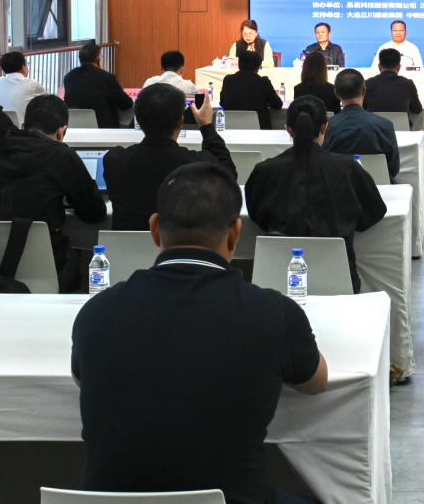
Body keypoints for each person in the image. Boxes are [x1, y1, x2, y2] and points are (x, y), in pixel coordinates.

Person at [71, 162, 327, 504]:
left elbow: (82, 378)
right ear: (235, 233)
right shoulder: (273, 313)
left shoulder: (97, 312)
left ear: (154, 229)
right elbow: (316, 382)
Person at [246, 96, 388, 293]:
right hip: (339, 278)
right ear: (325, 127)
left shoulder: (264, 171)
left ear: (288, 129)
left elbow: (257, 216)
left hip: (276, 279)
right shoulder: (348, 168)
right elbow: (374, 211)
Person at [0, 93, 107, 290]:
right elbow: (94, 213)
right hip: (46, 271)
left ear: (23, 126)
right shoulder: (62, 156)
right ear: (61, 132)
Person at [103, 83, 236, 232]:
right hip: (183, 245)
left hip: (124, 246)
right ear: (180, 121)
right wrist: (206, 127)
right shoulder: (199, 164)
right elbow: (230, 178)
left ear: (138, 120)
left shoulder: (114, 160)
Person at [323, 69, 400, 183]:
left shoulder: (326, 127)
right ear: (364, 90)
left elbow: (323, 164)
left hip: (337, 187)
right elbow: (393, 168)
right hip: (378, 187)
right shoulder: (385, 125)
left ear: (336, 94)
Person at [63, 42, 133, 129]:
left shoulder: (68, 77)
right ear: (99, 60)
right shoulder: (106, 77)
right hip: (103, 130)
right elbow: (126, 104)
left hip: (74, 128)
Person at [219, 50, 284, 130]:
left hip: (231, 130)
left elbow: (222, 102)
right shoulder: (263, 82)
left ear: (239, 65)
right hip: (260, 131)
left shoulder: (228, 80)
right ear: (257, 67)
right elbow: (277, 104)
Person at [0, 50, 49, 122]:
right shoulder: (32, 84)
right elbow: (50, 101)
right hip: (21, 127)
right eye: (26, 64)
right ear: (23, 67)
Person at [364, 47, 423, 119]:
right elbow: (417, 109)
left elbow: (362, 108)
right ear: (399, 67)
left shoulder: (368, 84)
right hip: (401, 126)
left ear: (379, 66)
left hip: (374, 125)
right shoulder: (408, 84)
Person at [293, 50, 341, 114]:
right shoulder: (332, 89)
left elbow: (296, 114)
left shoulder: (298, 89)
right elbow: (337, 114)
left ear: (305, 67)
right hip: (328, 120)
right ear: (323, 68)